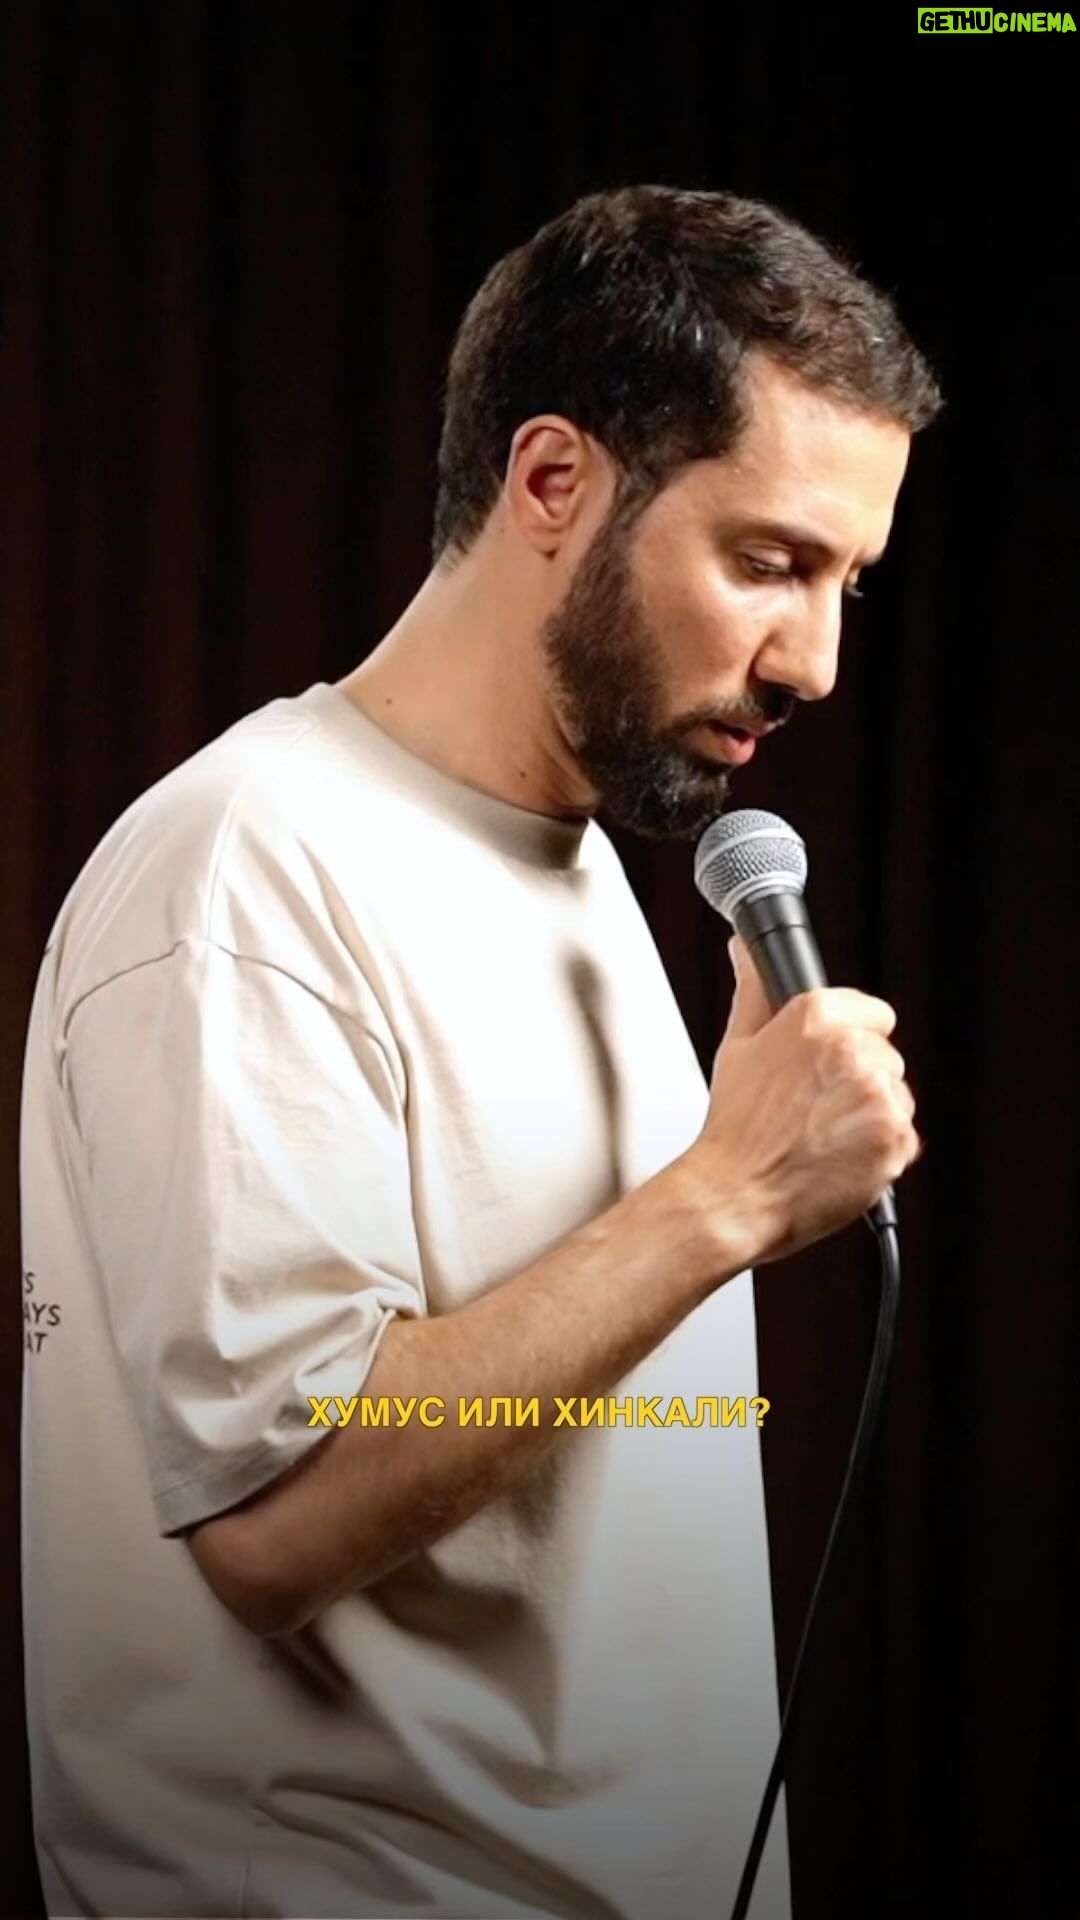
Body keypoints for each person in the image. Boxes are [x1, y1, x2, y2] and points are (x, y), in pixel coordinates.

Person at [19, 184, 939, 1920]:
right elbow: (275, 1519)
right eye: (767, 562)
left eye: (848, 583)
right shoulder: (250, 867)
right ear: (553, 482)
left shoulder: (572, 866)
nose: (816, 662)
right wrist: (724, 1198)